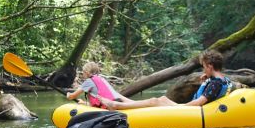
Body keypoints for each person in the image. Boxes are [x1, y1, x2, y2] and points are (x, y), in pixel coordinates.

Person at [100, 49, 231, 110]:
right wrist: (206, 79)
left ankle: (117, 105)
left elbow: (198, 103)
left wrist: (179, 106)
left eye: (204, 67)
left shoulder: (215, 83)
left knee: (154, 100)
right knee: (162, 99)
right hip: (191, 109)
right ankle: (123, 101)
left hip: (191, 111)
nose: (203, 70)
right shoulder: (224, 80)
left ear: (210, 66)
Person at [65, 61, 135, 108]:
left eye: (83, 72)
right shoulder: (101, 78)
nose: (82, 74)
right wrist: (84, 103)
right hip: (115, 101)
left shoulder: (88, 81)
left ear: (86, 72)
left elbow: (72, 96)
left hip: (108, 106)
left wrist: (68, 94)